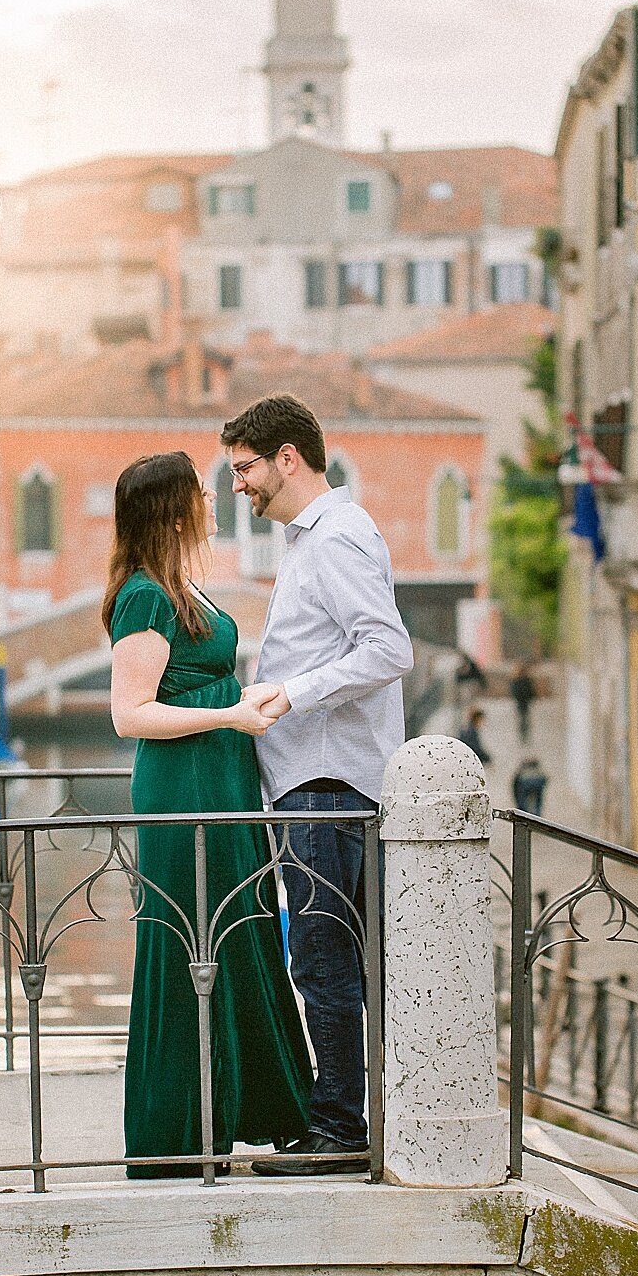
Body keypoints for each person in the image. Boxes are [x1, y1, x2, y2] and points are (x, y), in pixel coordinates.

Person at [220, 396, 414, 1177]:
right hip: (318, 785)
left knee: (325, 963)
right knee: (337, 962)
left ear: (287, 458)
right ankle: (354, 1121)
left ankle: (340, 1131)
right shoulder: (318, 539)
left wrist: (290, 695)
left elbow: (387, 649)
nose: (238, 486)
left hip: (328, 787)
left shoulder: (334, 538)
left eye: (244, 469)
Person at [105, 451, 313, 1178]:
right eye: (199, 489)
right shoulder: (143, 596)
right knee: (192, 944)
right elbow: (128, 715)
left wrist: (242, 705)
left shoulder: (178, 586)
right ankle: (179, 1136)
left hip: (220, 780)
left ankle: (257, 1114)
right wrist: (229, 711)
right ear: (171, 509)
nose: (213, 496)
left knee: (241, 935)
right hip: (185, 788)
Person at [510, 662, 537, 741]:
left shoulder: (521, 680)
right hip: (522, 702)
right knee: (523, 718)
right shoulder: (518, 680)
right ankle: (523, 735)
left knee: (524, 718)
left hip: (524, 701)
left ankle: (524, 734)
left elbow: (530, 690)